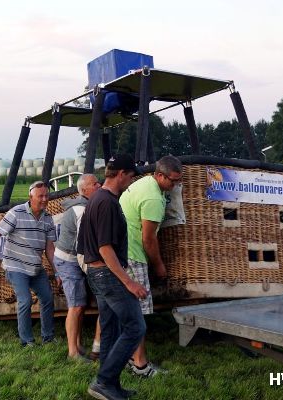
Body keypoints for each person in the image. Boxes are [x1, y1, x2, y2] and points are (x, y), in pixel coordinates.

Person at [77, 154, 148, 400]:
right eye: (131, 176)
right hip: (107, 273)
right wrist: (129, 282)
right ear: (121, 174)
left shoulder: (96, 198)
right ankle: (104, 382)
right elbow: (105, 247)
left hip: (96, 273)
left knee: (110, 328)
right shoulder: (106, 202)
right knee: (135, 327)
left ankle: (110, 385)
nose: (131, 181)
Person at [119, 155, 182, 377]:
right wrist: (159, 266)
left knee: (127, 311)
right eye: (172, 181)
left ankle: (127, 356)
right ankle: (140, 365)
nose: (174, 186)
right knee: (139, 312)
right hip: (133, 255)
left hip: (120, 252)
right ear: (159, 175)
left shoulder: (142, 183)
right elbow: (148, 239)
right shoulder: (154, 199)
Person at [0, 181, 60, 347]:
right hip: (15, 266)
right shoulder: (16, 212)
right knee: (25, 300)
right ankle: (26, 341)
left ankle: (48, 337)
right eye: (40, 196)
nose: (44, 199)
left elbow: (49, 248)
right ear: (30, 197)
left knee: (48, 298)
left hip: (35, 267)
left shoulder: (48, 218)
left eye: (46, 196)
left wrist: (57, 272)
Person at [54, 173, 101, 360]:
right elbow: (84, 244)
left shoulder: (86, 206)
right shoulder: (81, 210)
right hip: (69, 260)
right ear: (84, 190)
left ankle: (78, 345)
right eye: (95, 184)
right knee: (75, 306)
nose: (99, 185)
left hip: (73, 258)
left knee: (80, 305)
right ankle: (73, 352)